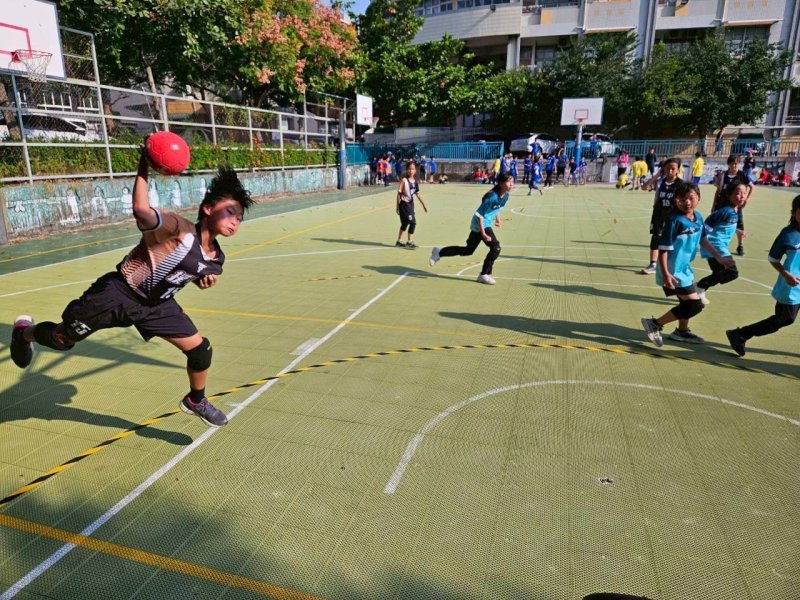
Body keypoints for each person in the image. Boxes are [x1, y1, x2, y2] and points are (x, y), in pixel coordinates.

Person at [9, 148, 254, 428]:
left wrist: (202, 281)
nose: (235, 220)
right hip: (118, 294)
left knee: (201, 351)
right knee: (63, 338)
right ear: (208, 208)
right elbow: (141, 210)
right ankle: (23, 334)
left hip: (157, 307)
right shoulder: (178, 228)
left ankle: (196, 399)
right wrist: (144, 165)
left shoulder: (216, 259)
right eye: (230, 212)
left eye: (240, 217)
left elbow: (186, 272)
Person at [640, 182, 734, 346]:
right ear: (676, 200)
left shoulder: (697, 217)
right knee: (694, 304)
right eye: (682, 199)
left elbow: (703, 239)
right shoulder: (674, 221)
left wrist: (718, 257)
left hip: (684, 269)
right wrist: (666, 274)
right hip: (672, 271)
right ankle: (654, 324)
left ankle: (681, 331)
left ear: (698, 198)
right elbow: (663, 250)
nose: (687, 202)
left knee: (686, 302)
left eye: (691, 198)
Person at [726, 195, 800, 357]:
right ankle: (741, 334)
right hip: (792, 286)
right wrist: (786, 274)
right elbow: (773, 258)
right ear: (794, 213)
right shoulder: (789, 234)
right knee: (785, 318)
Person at [429, 172, 514, 285]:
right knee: (496, 248)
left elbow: (497, 208)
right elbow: (479, 215)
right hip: (480, 224)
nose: (512, 184)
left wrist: (498, 219)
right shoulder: (492, 196)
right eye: (509, 182)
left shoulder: (506, 196)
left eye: (512, 181)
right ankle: (484, 274)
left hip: (485, 223)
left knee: (468, 250)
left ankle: (439, 252)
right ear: (501, 183)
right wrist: (483, 233)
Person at [695, 182, 747, 305]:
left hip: (719, 247)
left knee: (720, 273)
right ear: (729, 195)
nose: (742, 196)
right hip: (714, 247)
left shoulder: (736, 211)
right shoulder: (724, 211)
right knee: (731, 272)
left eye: (744, 193)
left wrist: (737, 231)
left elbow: (723, 228)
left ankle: (700, 289)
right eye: (738, 193)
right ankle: (700, 287)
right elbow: (705, 228)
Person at [640, 158, 682, 274]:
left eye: (673, 169)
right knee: (655, 238)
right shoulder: (660, 182)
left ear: (678, 170)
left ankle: (672, 264)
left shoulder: (681, 184)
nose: (670, 171)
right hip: (659, 214)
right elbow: (644, 187)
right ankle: (653, 264)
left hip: (673, 216)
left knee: (673, 240)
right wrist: (657, 175)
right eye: (668, 168)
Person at [714, 155, 753, 257]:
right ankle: (718, 244)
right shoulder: (722, 175)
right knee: (719, 224)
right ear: (729, 164)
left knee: (739, 225)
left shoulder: (742, 175)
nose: (734, 165)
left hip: (736, 206)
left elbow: (752, 187)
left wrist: (746, 199)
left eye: (736, 163)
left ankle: (740, 245)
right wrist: (714, 205)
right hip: (722, 204)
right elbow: (718, 191)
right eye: (732, 163)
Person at [395, 161, 427, 248]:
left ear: (415, 170)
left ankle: (399, 241)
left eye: (412, 169)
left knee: (405, 223)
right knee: (412, 222)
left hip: (410, 204)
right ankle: (409, 242)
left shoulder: (415, 182)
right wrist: (397, 206)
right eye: (409, 169)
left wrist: (423, 204)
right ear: (407, 170)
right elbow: (399, 194)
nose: (411, 170)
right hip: (404, 204)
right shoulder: (404, 180)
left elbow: (418, 194)